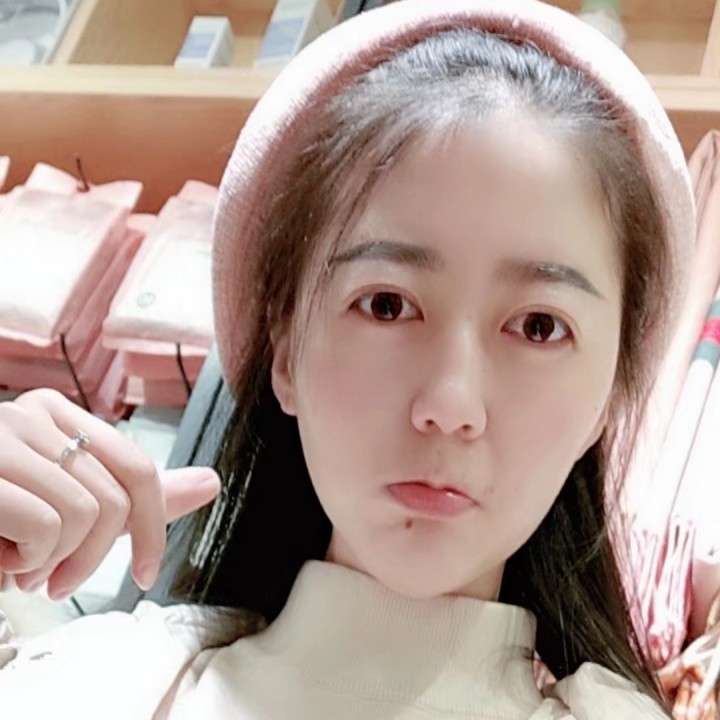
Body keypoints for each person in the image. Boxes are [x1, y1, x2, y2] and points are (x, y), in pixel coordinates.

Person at [0, 0, 697, 717]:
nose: (450, 404)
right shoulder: (98, 685)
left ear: (607, 401)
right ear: (284, 352)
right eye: (387, 305)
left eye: (540, 326)